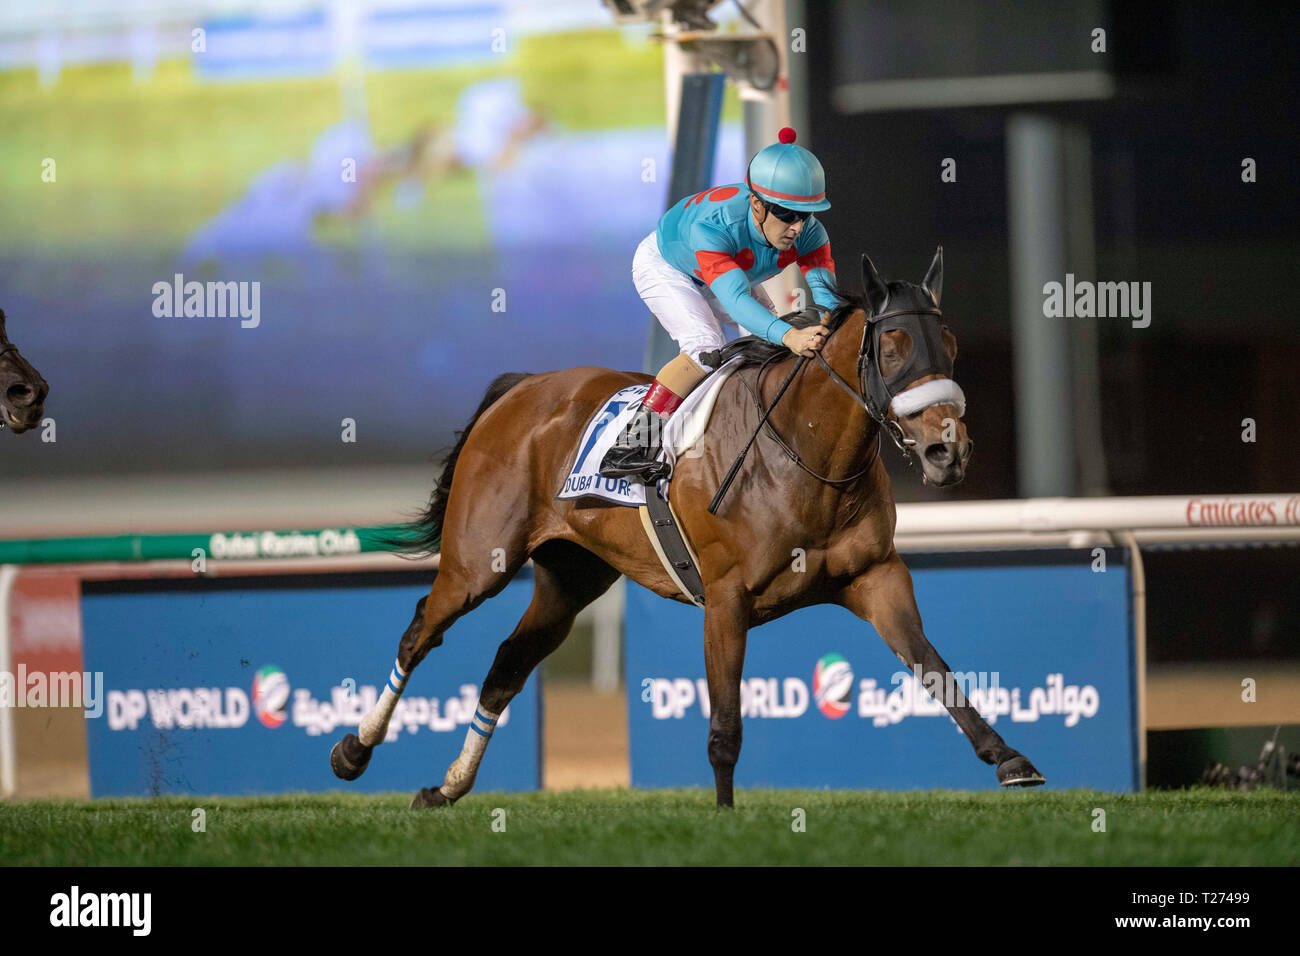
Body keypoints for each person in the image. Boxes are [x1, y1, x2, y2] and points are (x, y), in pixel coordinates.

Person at [599, 127, 838, 483]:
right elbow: (736, 301)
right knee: (705, 347)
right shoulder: (716, 225)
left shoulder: (808, 231)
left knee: (768, 346)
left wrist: (834, 325)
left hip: (730, 273)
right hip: (669, 267)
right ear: (757, 204)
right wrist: (791, 336)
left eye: (806, 215)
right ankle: (631, 446)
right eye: (787, 214)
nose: (798, 227)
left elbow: (827, 296)